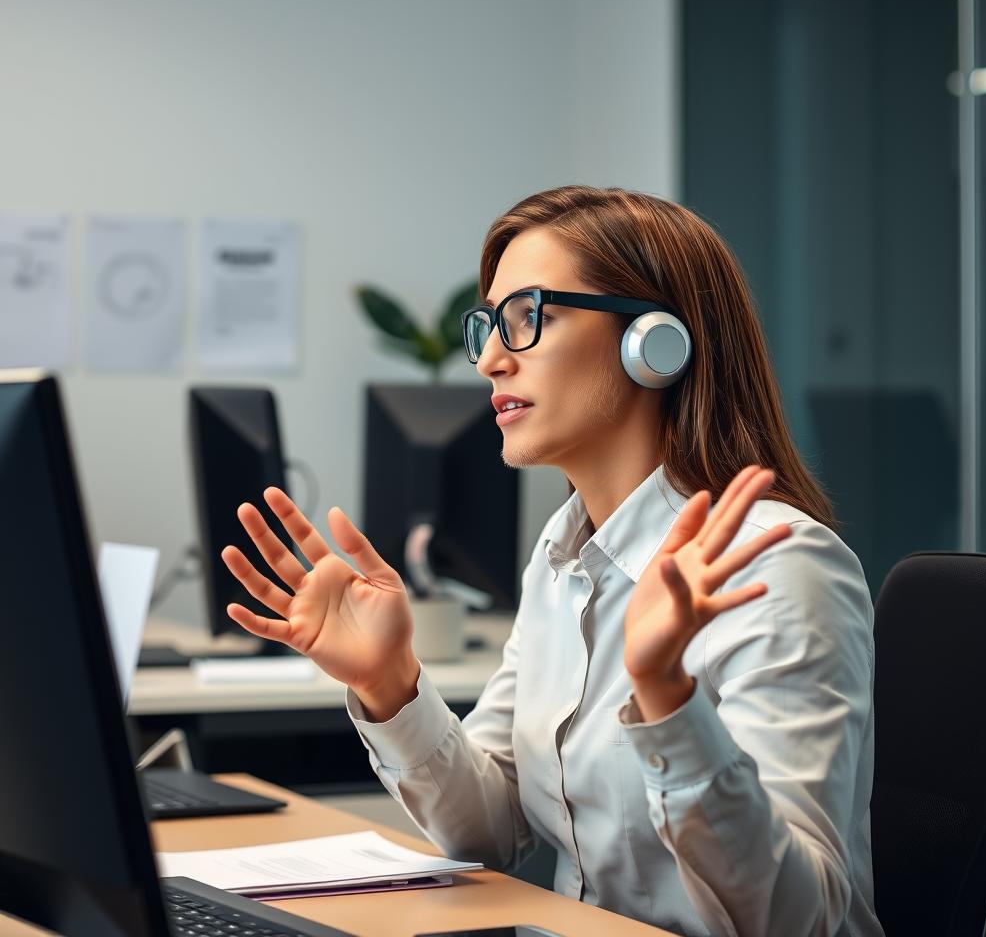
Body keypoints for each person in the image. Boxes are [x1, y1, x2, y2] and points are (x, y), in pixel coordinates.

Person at [221, 186, 884, 937]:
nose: (492, 360)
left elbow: (798, 921)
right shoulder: (563, 557)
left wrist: (668, 701)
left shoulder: (778, 568)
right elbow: (489, 829)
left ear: (654, 341)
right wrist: (389, 683)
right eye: (490, 326)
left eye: (529, 317)